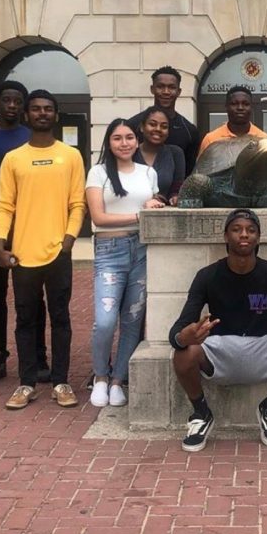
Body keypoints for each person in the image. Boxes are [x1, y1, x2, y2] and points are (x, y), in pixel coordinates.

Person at [169, 209, 267, 452]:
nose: (244, 235)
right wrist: (184, 337)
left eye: (250, 230)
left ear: (258, 237)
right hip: (219, 349)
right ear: (226, 236)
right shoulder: (207, 276)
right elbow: (177, 331)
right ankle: (201, 413)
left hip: (263, 347)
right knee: (183, 353)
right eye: (236, 229)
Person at [0, 90, 86, 410]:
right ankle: (26, 383)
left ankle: (61, 381)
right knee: (25, 320)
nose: (42, 113)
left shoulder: (70, 156)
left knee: (60, 318)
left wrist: (70, 239)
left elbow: (78, 203)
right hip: (23, 254)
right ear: (27, 115)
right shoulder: (14, 158)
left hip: (58, 252)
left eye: (48, 109)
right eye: (36, 109)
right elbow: (5, 205)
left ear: (56, 116)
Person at [87, 118, 165, 408]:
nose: (124, 143)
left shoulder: (148, 172)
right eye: (117, 138)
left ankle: (118, 380)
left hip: (143, 250)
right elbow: (98, 218)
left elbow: (151, 204)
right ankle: (100, 377)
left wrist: (152, 207)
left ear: (137, 139)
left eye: (129, 137)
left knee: (133, 320)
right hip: (110, 249)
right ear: (109, 142)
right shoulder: (98, 173)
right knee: (105, 321)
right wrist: (140, 216)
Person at [0, 80, 48, 386]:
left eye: (17, 101)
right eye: (6, 100)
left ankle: (38, 355)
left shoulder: (31, 137)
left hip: (31, 229)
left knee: (34, 296)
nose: (12, 106)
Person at [127, 66, 201, 175]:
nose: (166, 92)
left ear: (179, 91)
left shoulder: (190, 131)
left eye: (171, 87)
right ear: (152, 89)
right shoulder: (133, 125)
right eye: (160, 86)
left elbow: (189, 173)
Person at [133, 105, 185, 205]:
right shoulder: (130, 153)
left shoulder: (175, 153)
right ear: (142, 127)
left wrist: (174, 198)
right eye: (152, 124)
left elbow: (176, 190)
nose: (158, 129)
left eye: (164, 126)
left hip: (162, 213)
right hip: (131, 213)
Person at [197, 86, 267, 156]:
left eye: (245, 104)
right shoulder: (211, 140)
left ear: (251, 107)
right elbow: (201, 167)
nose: (240, 108)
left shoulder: (264, 140)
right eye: (234, 104)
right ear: (226, 107)